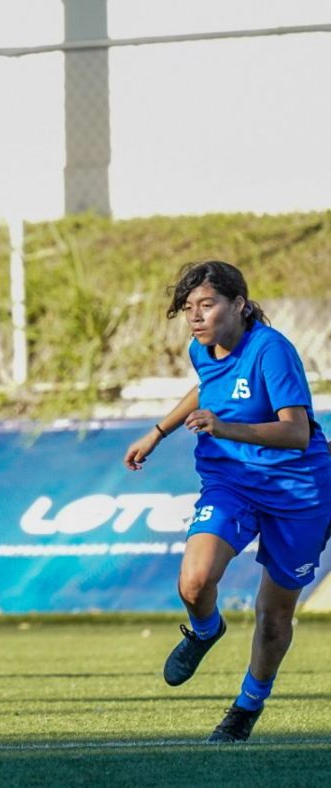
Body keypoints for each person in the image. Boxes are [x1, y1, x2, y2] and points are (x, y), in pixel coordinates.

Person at [123, 260, 331, 743]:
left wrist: (225, 427)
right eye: (188, 308)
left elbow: (297, 433)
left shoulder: (271, 350)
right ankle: (205, 630)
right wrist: (157, 432)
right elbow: (206, 388)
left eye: (207, 304)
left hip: (298, 491)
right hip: (231, 482)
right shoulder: (202, 348)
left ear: (238, 304)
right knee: (194, 581)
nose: (195, 317)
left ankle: (246, 707)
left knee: (274, 617)